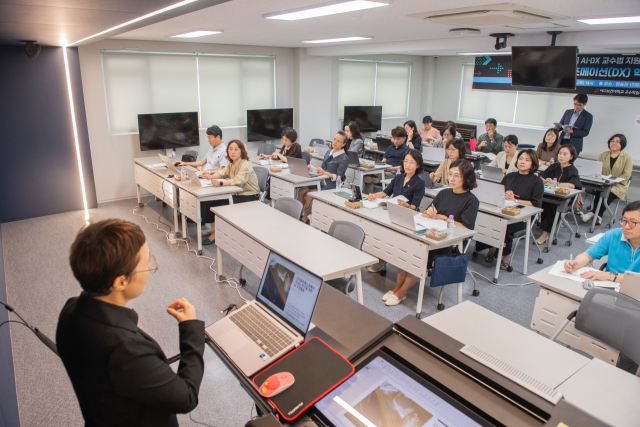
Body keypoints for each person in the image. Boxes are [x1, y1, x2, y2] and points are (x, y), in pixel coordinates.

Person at [57, 219, 204, 426]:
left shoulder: (71, 310)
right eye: (146, 264)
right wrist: (192, 331)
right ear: (121, 282)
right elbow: (186, 397)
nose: (149, 268)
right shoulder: (127, 350)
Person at [381, 160, 479, 306]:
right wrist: (429, 212)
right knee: (408, 249)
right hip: (431, 234)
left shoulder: (471, 200)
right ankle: (397, 288)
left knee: (419, 254)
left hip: (450, 243)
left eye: (456, 176)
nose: (451, 179)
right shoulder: (444, 193)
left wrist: (443, 218)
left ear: (466, 178)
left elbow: (466, 228)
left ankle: (402, 292)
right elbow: (428, 211)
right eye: (450, 174)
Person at [474, 150, 544, 269]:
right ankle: (492, 246)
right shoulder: (509, 176)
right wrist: (504, 195)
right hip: (504, 210)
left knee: (504, 225)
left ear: (533, 164)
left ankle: (506, 254)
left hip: (522, 217)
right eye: (521, 158)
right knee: (488, 219)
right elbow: (499, 193)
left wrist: (515, 200)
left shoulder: (537, 181)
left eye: (527, 160)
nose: (522, 162)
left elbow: (535, 204)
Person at [367, 149, 427, 275]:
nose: (408, 165)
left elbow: (414, 207)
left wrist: (406, 205)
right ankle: (381, 261)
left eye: (411, 162)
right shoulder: (399, 177)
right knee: (380, 231)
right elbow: (384, 193)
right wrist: (373, 195)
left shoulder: (419, 183)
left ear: (418, 165)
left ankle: (387, 261)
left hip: (407, 216)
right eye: (406, 161)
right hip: (392, 211)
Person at [200, 140, 261, 244]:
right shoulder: (231, 163)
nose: (233, 152)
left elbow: (239, 180)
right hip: (236, 193)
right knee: (212, 202)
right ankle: (215, 229)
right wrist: (210, 177)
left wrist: (220, 183)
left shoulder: (245, 164)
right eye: (230, 149)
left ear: (241, 151)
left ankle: (216, 234)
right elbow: (222, 173)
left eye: (236, 149)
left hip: (249, 196)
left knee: (222, 205)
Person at [565, 201, 640, 282]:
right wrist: (577, 263)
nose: (627, 226)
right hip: (610, 285)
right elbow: (587, 256)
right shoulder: (613, 235)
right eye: (624, 220)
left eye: (633, 222)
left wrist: (610, 276)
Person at [298, 131, 349, 223]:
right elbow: (322, 169)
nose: (335, 142)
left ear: (344, 144)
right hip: (321, 179)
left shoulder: (344, 158)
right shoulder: (329, 152)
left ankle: (305, 218)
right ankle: (297, 214)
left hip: (332, 184)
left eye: (338, 141)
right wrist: (312, 168)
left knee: (310, 194)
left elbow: (340, 177)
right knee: (302, 191)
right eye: (334, 139)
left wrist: (325, 173)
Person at [582, 134, 632, 224]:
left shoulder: (627, 157)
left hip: (618, 185)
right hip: (602, 183)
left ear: (622, 144)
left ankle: (594, 213)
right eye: (612, 141)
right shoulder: (603, 155)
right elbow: (597, 169)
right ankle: (598, 216)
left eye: (617, 141)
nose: (614, 143)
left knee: (608, 191)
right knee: (601, 189)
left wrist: (613, 181)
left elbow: (626, 174)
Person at [536, 144, 582, 245]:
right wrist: (543, 180)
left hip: (563, 199)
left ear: (571, 156)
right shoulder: (553, 166)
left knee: (550, 206)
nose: (561, 156)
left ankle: (545, 234)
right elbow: (542, 177)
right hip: (549, 194)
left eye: (565, 154)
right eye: (560, 153)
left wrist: (556, 183)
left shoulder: (573, 170)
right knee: (535, 200)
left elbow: (572, 185)